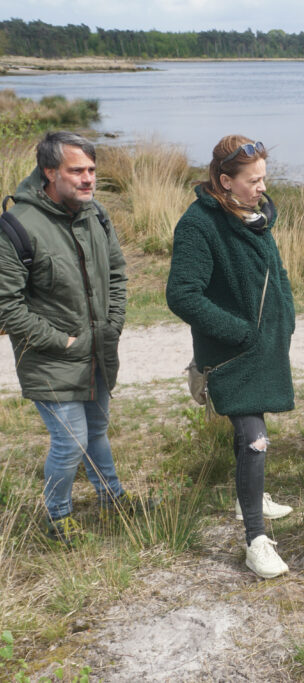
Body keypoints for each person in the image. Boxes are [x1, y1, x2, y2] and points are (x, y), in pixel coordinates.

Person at [166, 136, 295, 579]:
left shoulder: (255, 217)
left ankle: (252, 498)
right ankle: (255, 540)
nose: (262, 186)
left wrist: (287, 318)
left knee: (255, 424)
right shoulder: (199, 224)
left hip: (262, 347)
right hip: (230, 353)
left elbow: (274, 273)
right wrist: (240, 333)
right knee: (254, 438)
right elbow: (182, 295)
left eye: (263, 177)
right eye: (252, 180)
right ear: (225, 181)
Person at [0, 131, 137, 544]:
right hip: (50, 357)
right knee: (70, 441)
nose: (88, 179)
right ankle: (58, 519)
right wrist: (64, 343)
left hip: (99, 349)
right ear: (49, 172)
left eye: (92, 170)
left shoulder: (95, 213)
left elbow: (116, 274)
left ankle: (112, 499)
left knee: (96, 430)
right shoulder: (18, 225)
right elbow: (8, 307)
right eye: (77, 171)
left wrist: (113, 324)